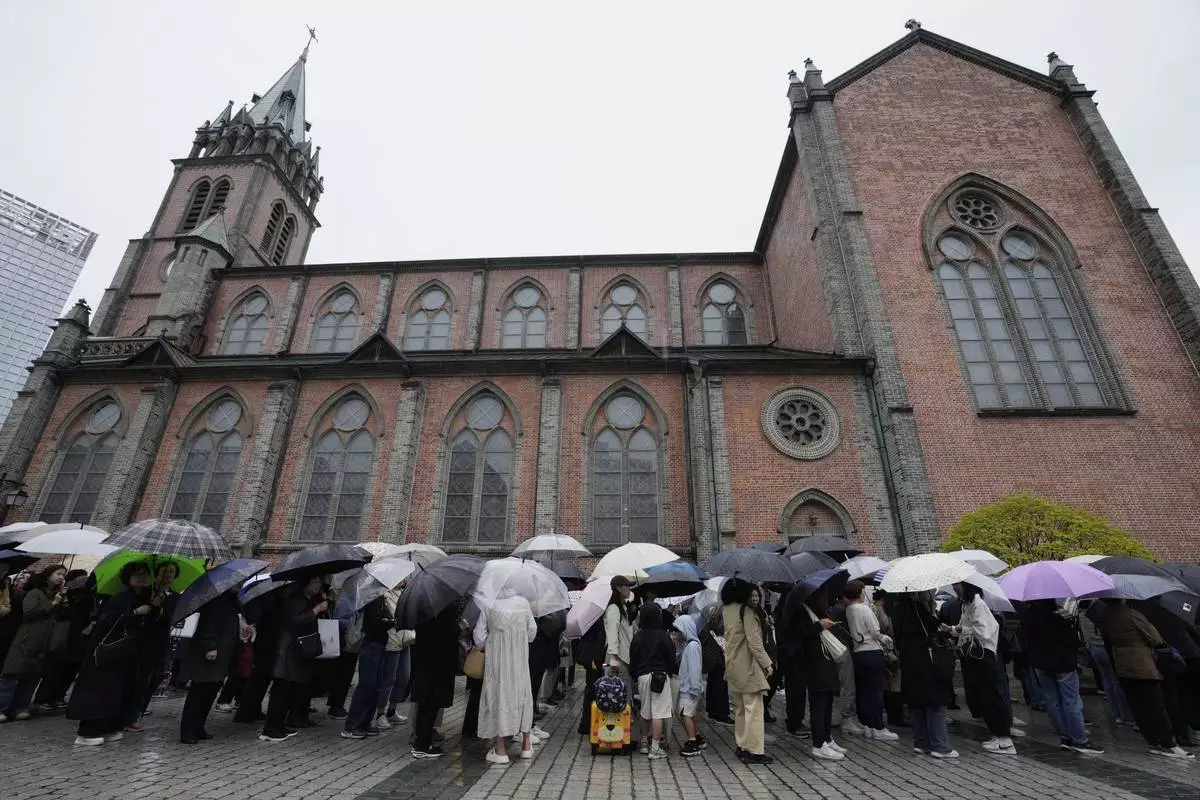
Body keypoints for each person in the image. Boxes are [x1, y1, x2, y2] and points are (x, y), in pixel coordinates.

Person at [67, 561, 154, 745]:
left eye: (144, 574)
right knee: (100, 690)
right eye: (137, 575)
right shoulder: (118, 598)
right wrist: (135, 612)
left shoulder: (142, 597)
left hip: (126, 653)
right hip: (108, 652)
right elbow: (107, 621)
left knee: (116, 692)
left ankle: (108, 727)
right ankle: (86, 732)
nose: (142, 578)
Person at [1100, 599, 1194, 759]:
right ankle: (1168, 743)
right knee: (1156, 704)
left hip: (1122, 662)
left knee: (1139, 706)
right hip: (1142, 664)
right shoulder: (1132, 615)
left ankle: (1153, 740)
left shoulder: (1106, 616)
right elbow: (1155, 638)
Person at [1021, 600, 1103, 754]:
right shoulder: (1060, 617)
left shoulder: (1029, 616)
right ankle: (1080, 740)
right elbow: (1074, 641)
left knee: (1052, 700)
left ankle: (1065, 737)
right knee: (1071, 701)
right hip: (1063, 663)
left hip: (1040, 663)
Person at [946, 582, 1014, 755]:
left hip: (984, 656)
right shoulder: (967, 605)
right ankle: (997, 735)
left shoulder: (978, 604)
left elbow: (982, 631)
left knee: (992, 695)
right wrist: (953, 629)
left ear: (966, 586)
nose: (954, 588)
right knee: (984, 696)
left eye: (957, 585)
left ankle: (1004, 739)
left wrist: (960, 629)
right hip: (975, 657)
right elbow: (964, 627)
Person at [260, 575, 328, 742]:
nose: (317, 584)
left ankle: (280, 724)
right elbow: (295, 620)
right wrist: (315, 610)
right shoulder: (295, 599)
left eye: (319, 582)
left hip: (297, 649)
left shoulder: (308, 599)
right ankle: (270, 728)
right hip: (288, 648)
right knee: (280, 688)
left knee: (289, 688)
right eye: (315, 581)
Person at [888, 592, 956, 758]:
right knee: (934, 701)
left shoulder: (897, 609)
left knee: (916, 701)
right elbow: (933, 629)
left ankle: (921, 742)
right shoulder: (918, 609)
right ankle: (940, 745)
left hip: (908, 660)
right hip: (925, 659)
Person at [475, 595, 537, 765]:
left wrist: (496, 637)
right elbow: (532, 633)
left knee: (498, 695)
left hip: (497, 660)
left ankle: (501, 749)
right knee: (522, 694)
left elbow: (479, 638)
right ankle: (526, 745)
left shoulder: (488, 603)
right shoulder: (524, 603)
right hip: (519, 659)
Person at [0, 564, 66, 721]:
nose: (61, 577)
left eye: (63, 575)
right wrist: (53, 604)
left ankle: (20, 707)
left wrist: (61, 601)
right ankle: (2, 707)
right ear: (48, 575)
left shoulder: (56, 595)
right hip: (27, 638)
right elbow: (29, 612)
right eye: (58, 574)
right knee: (12, 674)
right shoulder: (35, 593)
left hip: (45, 641)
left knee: (32, 676)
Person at [179, 589, 240, 743]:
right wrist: (210, 646)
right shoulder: (216, 601)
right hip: (210, 652)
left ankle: (199, 726)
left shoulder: (232, 601)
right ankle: (188, 730)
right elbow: (209, 624)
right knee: (198, 692)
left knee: (210, 691)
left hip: (223, 652)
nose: (240, 585)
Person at [722, 579, 773, 764]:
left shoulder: (727, 610)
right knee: (754, 709)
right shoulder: (747, 612)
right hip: (748, 666)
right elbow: (755, 642)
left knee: (740, 710)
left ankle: (742, 745)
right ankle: (755, 750)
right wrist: (767, 663)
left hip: (732, 666)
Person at [124, 560, 179, 731]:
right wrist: (151, 606)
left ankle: (138, 710)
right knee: (137, 678)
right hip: (140, 639)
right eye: (164, 571)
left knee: (154, 677)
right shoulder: (145, 592)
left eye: (171, 572)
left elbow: (172, 618)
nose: (167, 574)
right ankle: (128, 714)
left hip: (160, 641)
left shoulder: (175, 597)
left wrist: (160, 608)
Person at [791, 585, 843, 760]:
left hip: (824, 660)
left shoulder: (818, 611)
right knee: (819, 703)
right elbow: (799, 634)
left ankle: (827, 738)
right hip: (813, 662)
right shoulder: (801, 611)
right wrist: (818, 626)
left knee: (827, 699)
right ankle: (819, 743)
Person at [844, 580, 899, 741]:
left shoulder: (849, 609)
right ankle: (878, 727)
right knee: (875, 691)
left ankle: (868, 724)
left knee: (865, 691)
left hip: (858, 652)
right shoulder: (864, 609)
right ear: (859, 592)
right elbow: (875, 632)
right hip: (871, 651)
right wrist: (885, 638)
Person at [33, 569, 93, 709]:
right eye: (80, 578)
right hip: (64, 635)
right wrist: (64, 596)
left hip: (80, 636)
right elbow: (61, 612)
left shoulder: (88, 594)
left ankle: (59, 696)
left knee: (71, 669)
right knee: (56, 668)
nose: (83, 581)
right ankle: (43, 698)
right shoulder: (63, 593)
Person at [410, 601, 460, 759]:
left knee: (425, 703)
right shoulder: (445, 607)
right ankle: (422, 745)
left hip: (424, 660)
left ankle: (422, 741)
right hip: (439, 662)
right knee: (431, 703)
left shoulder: (421, 606)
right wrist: (460, 628)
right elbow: (448, 632)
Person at [341, 594, 395, 739]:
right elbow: (373, 623)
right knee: (367, 686)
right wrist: (391, 622)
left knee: (375, 686)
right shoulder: (373, 598)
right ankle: (352, 725)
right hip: (371, 645)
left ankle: (365, 722)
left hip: (378, 645)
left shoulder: (379, 598)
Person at [630, 603, 676, 759]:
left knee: (645, 710)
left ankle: (643, 743)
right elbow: (671, 657)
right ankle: (655, 747)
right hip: (660, 677)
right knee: (659, 713)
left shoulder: (638, 636)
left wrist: (635, 676)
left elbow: (633, 658)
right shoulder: (664, 635)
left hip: (642, 676)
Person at [1078, 608, 1133, 725]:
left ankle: (1117, 713)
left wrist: (1089, 645)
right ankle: (1126, 716)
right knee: (1117, 682)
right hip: (1105, 647)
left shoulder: (1083, 613)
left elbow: (1084, 632)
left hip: (1094, 647)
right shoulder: (1103, 610)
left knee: (1107, 681)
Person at [376, 586, 415, 730]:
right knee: (389, 679)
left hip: (406, 640)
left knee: (404, 676)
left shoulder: (403, 594)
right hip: (392, 641)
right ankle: (380, 713)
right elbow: (392, 615)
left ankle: (392, 710)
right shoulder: (384, 595)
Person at [671, 614, 706, 757]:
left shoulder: (692, 646)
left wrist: (693, 688)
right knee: (689, 714)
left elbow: (694, 669)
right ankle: (697, 737)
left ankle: (692, 742)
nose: (677, 634)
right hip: (689, 687)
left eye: (679, 631)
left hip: (689, 688)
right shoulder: (691, 645)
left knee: (685, 713)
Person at [775, 586, 808, 738]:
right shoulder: (792, 608)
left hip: (788, 652)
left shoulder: (783, 605)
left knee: (794, 688)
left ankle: (795, 721)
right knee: (796, 689)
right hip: (794, 653)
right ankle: (795, 723)